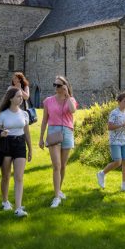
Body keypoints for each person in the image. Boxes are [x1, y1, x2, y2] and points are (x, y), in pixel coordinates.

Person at [39, 75, 77, 208]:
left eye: (59, 85)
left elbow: (72, 111)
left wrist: (67, 96)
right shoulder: (48, 101)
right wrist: (41, 138)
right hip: (53, 131)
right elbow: (44, 120)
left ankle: (58, 190)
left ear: (65, 86)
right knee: (56, 165)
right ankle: (56, 197)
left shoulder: (70, 99)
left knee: (63, 166)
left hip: (67, 131)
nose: (56, 87)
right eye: (54, 85)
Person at [0, 87, 32, 217]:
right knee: (5, 176)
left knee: (19, 177)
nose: (20, 98)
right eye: (18, 96)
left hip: (20, 144)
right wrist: (1, 134)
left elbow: (27, 133)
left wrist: (30, 149)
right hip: (6, 145)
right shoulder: (2, 115)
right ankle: (5, 201)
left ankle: (18, 208)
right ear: (11, 98)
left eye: (21, 96)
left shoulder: (25, 114)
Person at [96, 93, 125, 193]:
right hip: (115, 141)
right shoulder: (114, 113)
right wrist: (122, 124)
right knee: (118, 162)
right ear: (119, 102)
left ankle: (124, 185)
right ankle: (102, 173)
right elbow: (109, 127)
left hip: (124, 141)